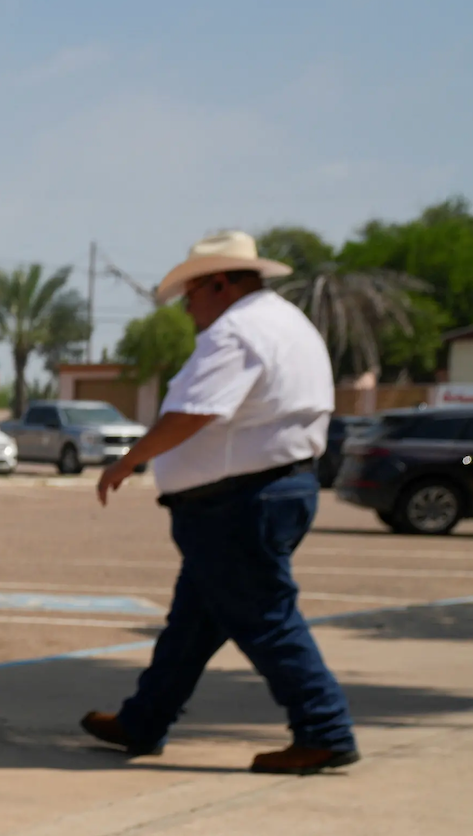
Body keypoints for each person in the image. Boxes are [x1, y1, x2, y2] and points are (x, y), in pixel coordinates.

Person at [82, 231, 357, 774]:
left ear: (220, 283)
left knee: (267, 618)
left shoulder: (236, 331)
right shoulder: (286, 322)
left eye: (191, 293)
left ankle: (324, 729)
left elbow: (194, 412)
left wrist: (129, 459)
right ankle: (143, 720)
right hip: (268, 492)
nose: (187, 307)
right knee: (193, 622)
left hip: (239, 503)